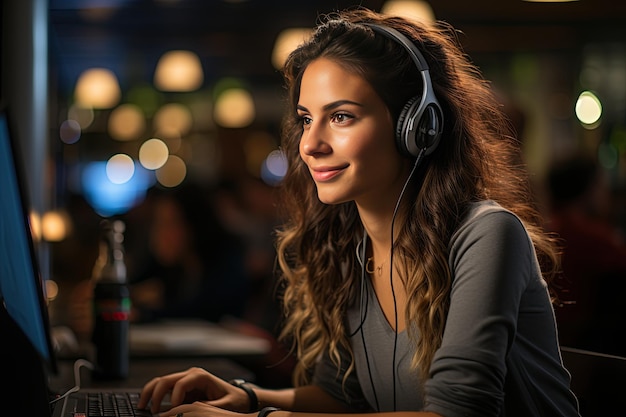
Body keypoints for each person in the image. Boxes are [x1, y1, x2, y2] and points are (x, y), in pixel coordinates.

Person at [138, 8, 580, 416]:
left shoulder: (487, 235)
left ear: (417, 127)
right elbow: (342, 397)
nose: (310, 145)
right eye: (307, 118)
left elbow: (455, 414)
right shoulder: (349, 247)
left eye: (342, 117)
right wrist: (245, 397)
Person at [546, 154, 626, 356]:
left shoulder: (542, 231)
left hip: (546, 346)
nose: (605, 192)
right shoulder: (593, 238)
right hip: (584, 353)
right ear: (588, 190)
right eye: (600, 185)